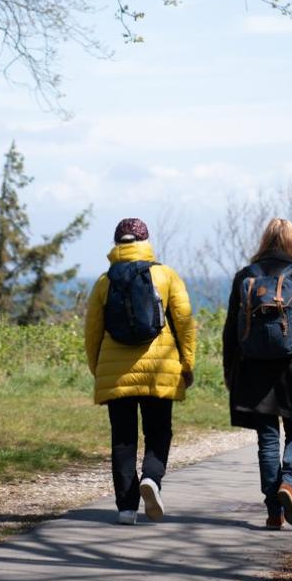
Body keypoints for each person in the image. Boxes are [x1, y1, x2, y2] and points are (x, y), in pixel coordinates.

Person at [222, 218, 292, 530]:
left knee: (267, 438)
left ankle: (274, 511)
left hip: (253, 367)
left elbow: (231, 329)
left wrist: (229, 368)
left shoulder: (245, 277)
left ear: (265, 241)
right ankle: (289, 483)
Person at [84, 217, 197, 525]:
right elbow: (185, 324)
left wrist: (98, 369)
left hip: (116, 373)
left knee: (123, 438)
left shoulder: (104, 282)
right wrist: (187, 365)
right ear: (146, 242)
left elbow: (92, 331)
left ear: (116, 243)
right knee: (159, 431)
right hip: (160, 369)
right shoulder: (166, 275)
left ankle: (125, 508)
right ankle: (151, 478)